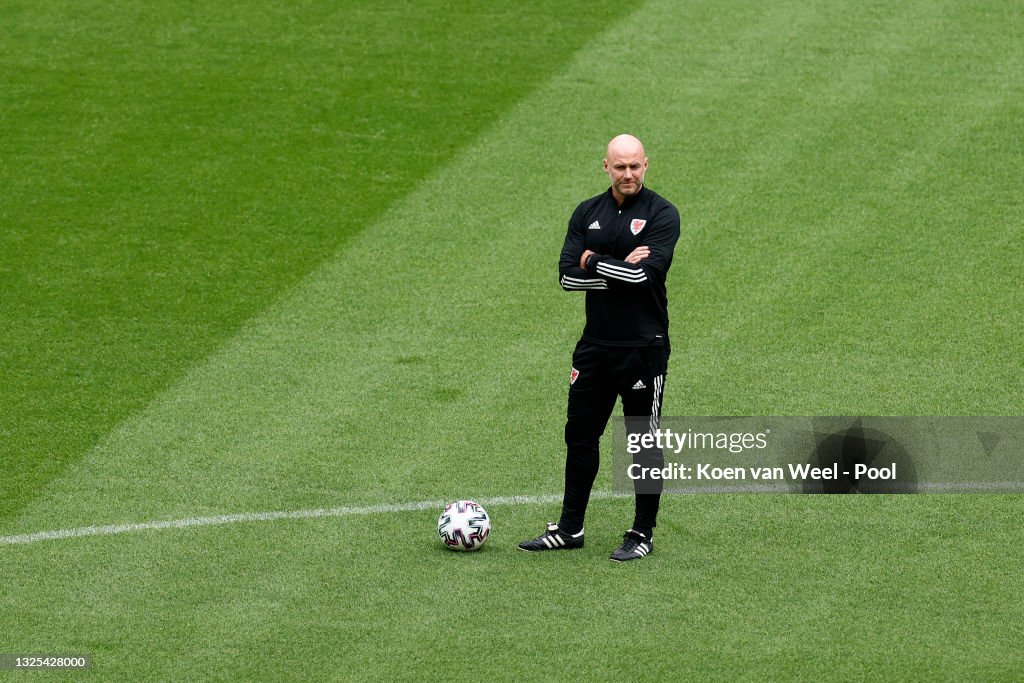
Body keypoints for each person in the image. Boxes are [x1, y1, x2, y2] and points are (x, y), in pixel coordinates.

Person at [518, 134, 680, 562]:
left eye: (635, 166)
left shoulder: (663, 214)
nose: (628, 174)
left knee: (642, 440)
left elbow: (643, 278)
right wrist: (617, 266)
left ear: (646, 165)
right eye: (619, 167)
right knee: (580, 436)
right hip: (594, 348)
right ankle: (570, 529)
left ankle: (642, 532)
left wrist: (591, 260)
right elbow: (566, 278)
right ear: (605, 167)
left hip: (644, 349)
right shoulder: (587, 212)